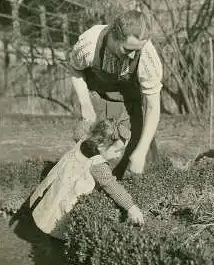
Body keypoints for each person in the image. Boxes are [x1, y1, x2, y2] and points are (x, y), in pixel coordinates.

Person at [68, 10, 163, 179]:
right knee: (94, 160)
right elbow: (75, 68)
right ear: (114, 35)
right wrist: (85, 104)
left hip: (129, 100)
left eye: (137, 50)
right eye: (127, 49)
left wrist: (140, 152)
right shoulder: (90, 44)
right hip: (98, 96)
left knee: (141, 161)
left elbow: (153, 106)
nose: (133, 55)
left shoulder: (147, 55)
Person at [28, 118, 145, 241]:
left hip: (58, 188)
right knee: (59, 223)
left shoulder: (84, 139)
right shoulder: (98, 165)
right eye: (117, 151)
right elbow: (111, 185)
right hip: (68, 199)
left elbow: (78, 130)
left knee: (49, 210)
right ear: (100, 146)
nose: (119, 155)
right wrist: (131, 207)